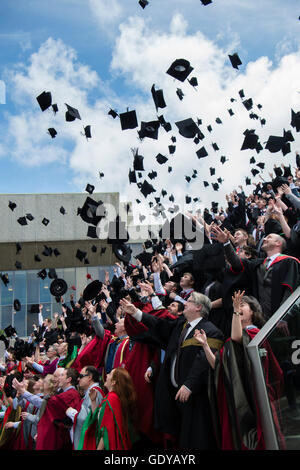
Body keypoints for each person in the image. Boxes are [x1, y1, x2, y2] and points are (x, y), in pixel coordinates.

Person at [120, 291, 224, 450]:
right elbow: (159, 324)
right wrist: (136, 313)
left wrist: (189, 385)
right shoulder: (181, 326)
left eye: (188, 301)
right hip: (175, 393)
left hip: (196, 396)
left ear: (198, 307)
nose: (185, 303)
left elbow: (203, 361)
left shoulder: (211, 331)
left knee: (197, 438)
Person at [194, 290, 285, 450]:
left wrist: (235, 310)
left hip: (252, 396)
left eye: (243, 305)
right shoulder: (232, 340)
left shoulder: (254, 334)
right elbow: (218, 365)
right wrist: (205, 345)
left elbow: (237, 338)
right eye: (238, 305)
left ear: (253, 311)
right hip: (235, 398)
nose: (239, 307)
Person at [211, 225, 300, 321]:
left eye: (269, 237)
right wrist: (226, 243)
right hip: (260, 317)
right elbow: (236, 263)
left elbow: (289, 290)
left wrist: (283, 317)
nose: (264, 238)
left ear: (278, 243)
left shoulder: (289, 262)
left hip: (280, 319)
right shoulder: (258, 264)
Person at [13, 368, 81, 450]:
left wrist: (23, 391)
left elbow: (45, 405)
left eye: (62, 375)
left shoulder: (70, 395)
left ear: (68, 379)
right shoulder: (65, 393)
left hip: (58, 439)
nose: (58, 378)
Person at [78, 367, 138, 450]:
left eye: (110, 374)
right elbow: (100, 420)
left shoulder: (112, 399)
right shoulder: (112, 397)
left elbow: (106, 433)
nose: (106, 375)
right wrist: (93, 401)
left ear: (113, 382)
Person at [66, 365, 105, 450]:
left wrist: (72, 413)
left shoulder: (95, 392)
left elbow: (91, 421)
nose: (78, 379)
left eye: (81, 376)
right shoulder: (90, 392)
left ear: (90, 377)